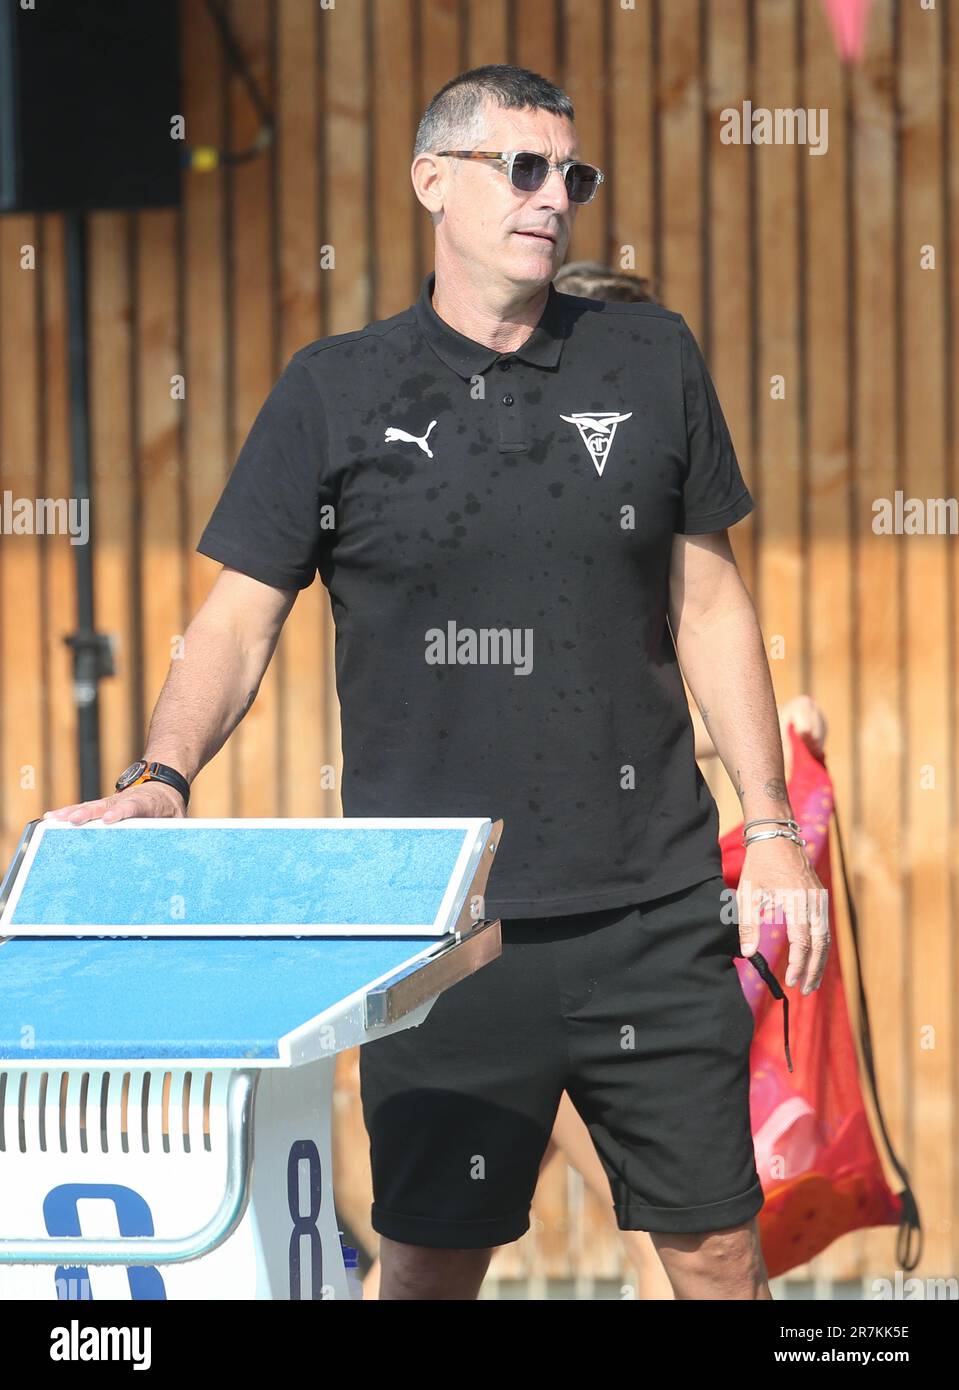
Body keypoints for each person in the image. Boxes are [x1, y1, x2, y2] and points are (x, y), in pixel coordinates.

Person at [44, 64, 830, 1301]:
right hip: (445, 929)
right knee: (428, 1267)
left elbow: (708, 599)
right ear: (432, 182)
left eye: (571, 174)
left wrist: (771, 828)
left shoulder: (648, 356)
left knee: (719, 1251)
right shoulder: (334, 390)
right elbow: (236, 621)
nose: (552, 196)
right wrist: (160, 774)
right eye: (520, 168)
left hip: (653, 910)